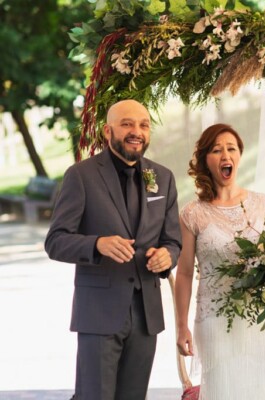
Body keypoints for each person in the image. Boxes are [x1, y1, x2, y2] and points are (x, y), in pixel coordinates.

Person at [45, 99, 182, 399]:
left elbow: (173, 241)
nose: (137, 131)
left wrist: (167, 256)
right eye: (127, 124)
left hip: (146, 316)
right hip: (98, 313)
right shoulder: (81, 176)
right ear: (108, 131)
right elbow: (55, 241)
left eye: (144, 125)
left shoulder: (163, 178)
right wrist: (97, 244)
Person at [175, 123, 265, 399]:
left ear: (239, 156)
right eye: (216, 150)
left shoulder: (261, 204)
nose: (225, 155)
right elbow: (184, 273)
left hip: (259, 320)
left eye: (231, 148)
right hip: (215, 322)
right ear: (205, 160)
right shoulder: (192, 214)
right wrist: (181, 326)